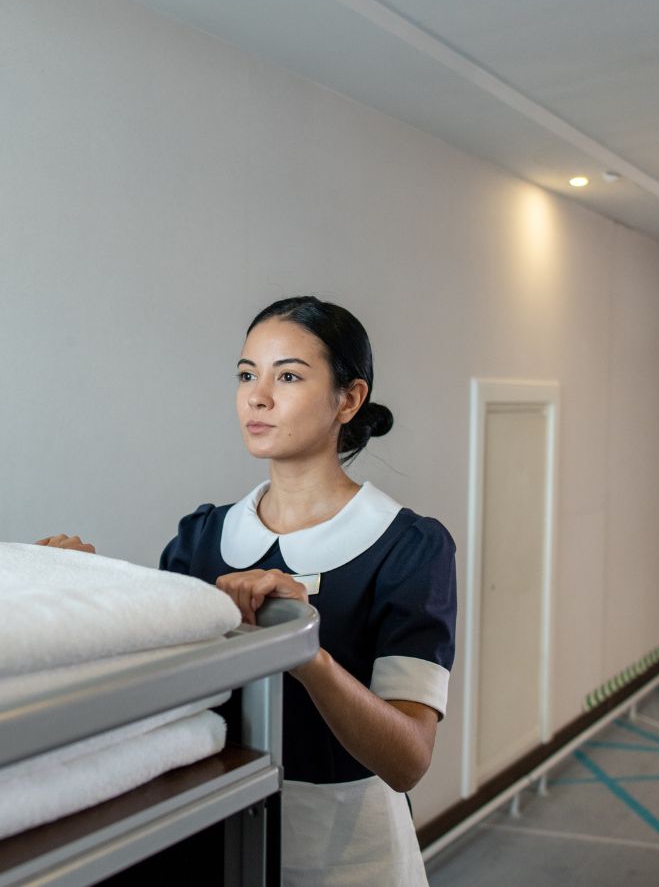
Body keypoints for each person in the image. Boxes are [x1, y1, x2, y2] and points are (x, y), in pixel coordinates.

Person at [39, 296, 455, 885]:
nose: (257, 397)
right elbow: (165, 690)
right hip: (216, 830)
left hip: (347, 855)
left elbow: (408, 759)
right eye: (245, 375)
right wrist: (81, 588)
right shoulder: (202, 536)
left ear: (349, 399)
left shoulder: (407, 547)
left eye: (288, 375)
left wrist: (302, 651)